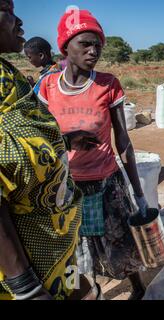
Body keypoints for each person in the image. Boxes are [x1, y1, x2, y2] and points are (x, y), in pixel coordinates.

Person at [37, 9, 150, 300]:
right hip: (66, 187)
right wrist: (67, 139)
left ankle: (138, 288)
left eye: (97, 44)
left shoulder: (108, 84)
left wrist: (138, 192)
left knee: (120, 244)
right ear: (65, 46)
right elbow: (37, 139)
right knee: (73, 251)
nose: (93, 50)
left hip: (106, 184)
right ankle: (82, 293)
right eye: (84, 43)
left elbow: (123, 139)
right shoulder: (47, 88)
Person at [0, 0, 99, 300]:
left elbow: (19, 138)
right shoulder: (43, 83)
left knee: (78, 290)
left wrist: (65, 141)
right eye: (6, 9)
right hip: (26, 264)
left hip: (57, 244)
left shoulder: (6, 76)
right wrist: (25, 288)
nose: (19, 22)